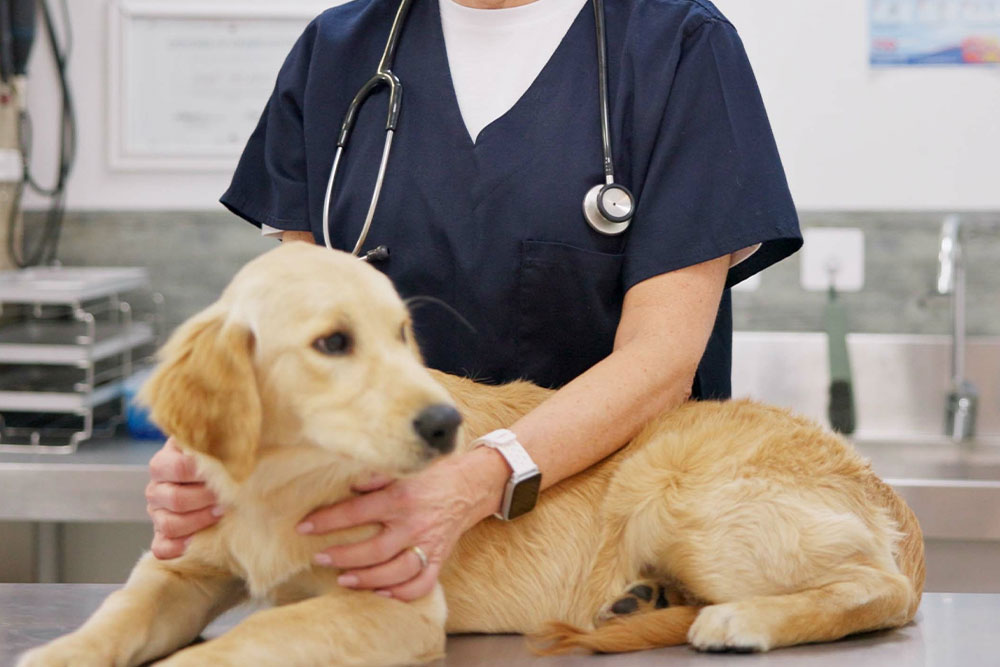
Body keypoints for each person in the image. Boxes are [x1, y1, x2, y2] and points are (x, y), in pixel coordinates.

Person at [145, 0, 801, 603]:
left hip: (617, 554)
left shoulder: (680, 46)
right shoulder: (337, 50)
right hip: (385, 556)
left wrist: (481, 477)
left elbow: (662, 358)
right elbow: (300, 328)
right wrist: (211, 453)